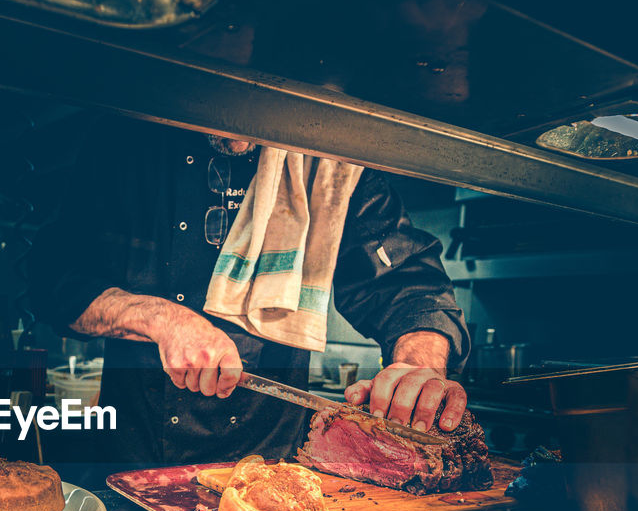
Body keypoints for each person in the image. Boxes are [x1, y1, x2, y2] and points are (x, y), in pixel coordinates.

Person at [30, 115, 470, 468]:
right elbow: (50, 279)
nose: (240, 131)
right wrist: (158, 317)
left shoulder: (332, 163)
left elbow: (408, 283)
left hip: (273, 469)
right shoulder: (123, 139)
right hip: (133, 461)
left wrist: (418, 365)